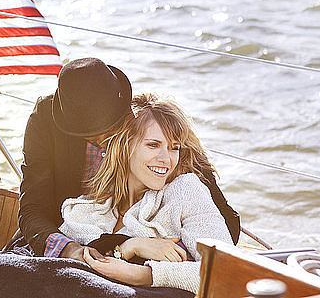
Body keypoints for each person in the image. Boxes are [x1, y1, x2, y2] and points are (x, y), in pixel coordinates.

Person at [18, 58, 240, 262]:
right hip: (63, 237)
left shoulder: (149, 125)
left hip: (133, 253)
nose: (105, 140)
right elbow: (32, 209)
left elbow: (226, 221)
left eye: (110, 128)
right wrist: (70, 250)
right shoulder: (45, 120)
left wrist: (165, 252)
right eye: (90, 135)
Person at [58, 94, 233, 294]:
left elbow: (226, 272)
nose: (166, 159)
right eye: (153, 145)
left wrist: (143, 275)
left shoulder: (185, 190)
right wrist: (127, 247)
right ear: (125, 145)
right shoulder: (98, 202)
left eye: (174, 148)